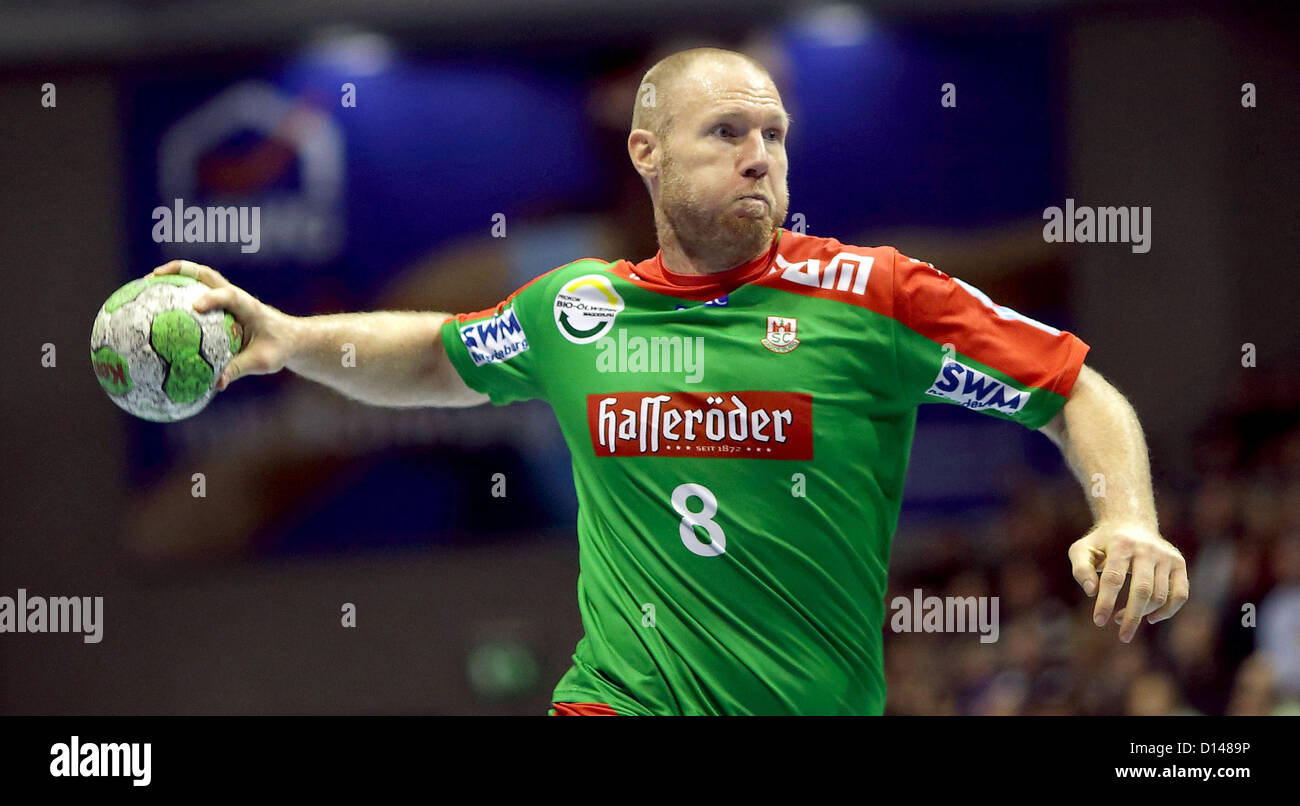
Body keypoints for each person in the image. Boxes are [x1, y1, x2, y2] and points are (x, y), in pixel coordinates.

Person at [151, 46, 1189, 715]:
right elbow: (432, 354)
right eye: (726, 132)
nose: (760, 156)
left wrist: (1127, 514)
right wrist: (288, 338)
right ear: (645, 153)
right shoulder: (576, 307)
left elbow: (1071, 387)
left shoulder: (873, 296)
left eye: (774, 135)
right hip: (615, 699)